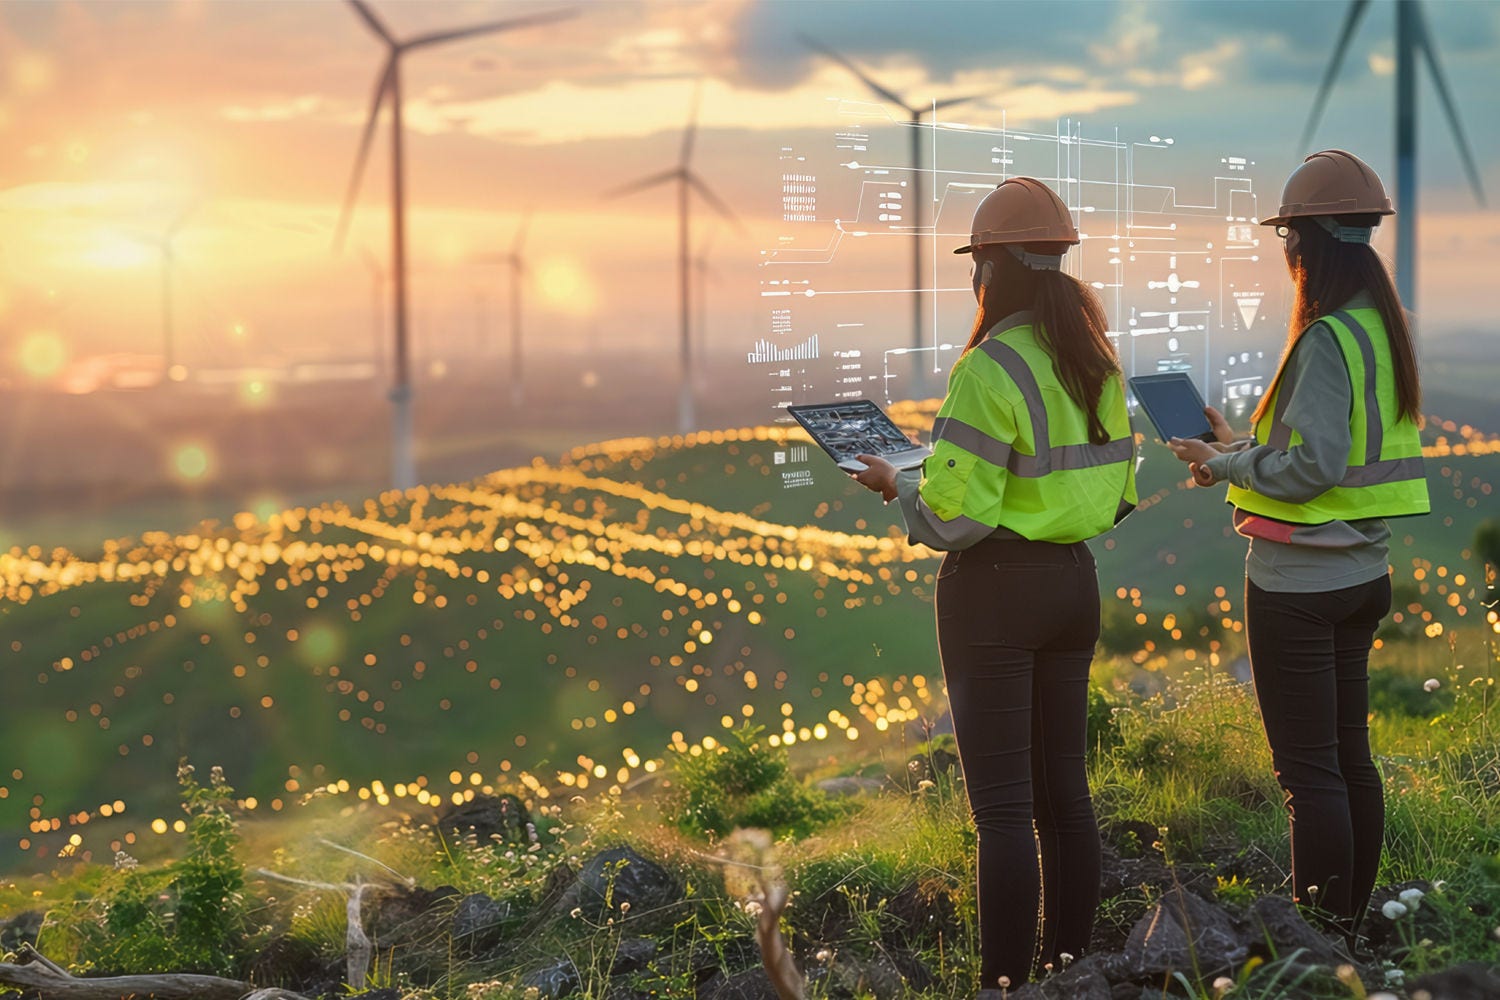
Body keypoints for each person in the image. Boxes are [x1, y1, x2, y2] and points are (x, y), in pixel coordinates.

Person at [850, 176, 1137, 992]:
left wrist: (897, 483)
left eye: (975, 262)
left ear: (995, 267)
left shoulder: (989, 365)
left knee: (1004, 813)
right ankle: (1072, 970)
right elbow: (1116, 494)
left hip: (996, 595)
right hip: (1073, 583)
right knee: (1065, 801)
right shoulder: (1096, 361)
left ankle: (1003, 984)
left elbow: (958, 513)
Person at [1166, 149, 1429, 944]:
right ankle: (1349, 926)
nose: (1285, 253)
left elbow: (1310, 467)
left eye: (1288, 238)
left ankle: (1316, 941)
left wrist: (1226, 464)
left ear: (1306, 243)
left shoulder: (1323, 338)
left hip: (1299, 587)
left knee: (1308, 776)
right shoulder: (1379, 330)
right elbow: (1328, 449)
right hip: (1364, 572)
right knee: (1351, 762)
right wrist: (1240, 445)